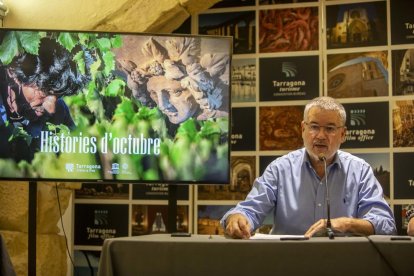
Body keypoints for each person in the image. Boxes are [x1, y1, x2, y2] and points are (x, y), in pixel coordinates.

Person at [221, 96, 396, 238]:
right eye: (313, 127)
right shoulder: (280, 169)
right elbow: (249, 210)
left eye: (329, 128)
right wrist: (238, 218)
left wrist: (346, 224)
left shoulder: (360, 171)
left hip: (343, 264)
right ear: (303, 129)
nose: (320, 136)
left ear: (343, 134)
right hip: (289, 264)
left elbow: (386, 224)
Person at [0, 37, 91, 162]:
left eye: (59, 96)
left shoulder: (60, 113)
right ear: (15, 74)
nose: (52, 109)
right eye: (44, 93)